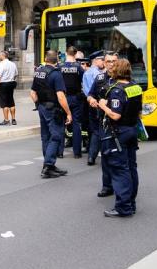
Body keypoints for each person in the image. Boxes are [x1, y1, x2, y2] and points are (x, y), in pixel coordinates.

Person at [96, 59, 143, 217]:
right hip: (131, 130)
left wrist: (102, 105)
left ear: (117, 71)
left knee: (119, 170)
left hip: (118, 133)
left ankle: (123, 207)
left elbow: (115, 115)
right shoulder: (136, 87)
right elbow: (139, 111)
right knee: (131, 168)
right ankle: (131, 203)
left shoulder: (117, 90)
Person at [30, 50, 73, 179]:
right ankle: (48, 166)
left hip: (42, 108)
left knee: (45, 136)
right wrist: (68, 113)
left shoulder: (39, 72)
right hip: (53, 109)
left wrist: (39, 105)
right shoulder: (56, 74)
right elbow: (61, 96)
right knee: (56, 136)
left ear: (46, 59)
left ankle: (48, 164)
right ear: (57, 60)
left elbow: (32, 93)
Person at [87, 52, 119, 197]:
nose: (111, 64)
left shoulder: (124, 78)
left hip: (120, 123)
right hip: (104, 123)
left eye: (114, 61)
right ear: (103, 63)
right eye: (108, 61)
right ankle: (107, 186)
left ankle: (122, 185)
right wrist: (91, 100)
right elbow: (90, 94)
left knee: (120, 157)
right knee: (106, 156)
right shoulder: (100, 78)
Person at [59, 46, 86, 158]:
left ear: (66, 53)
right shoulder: (79, 68)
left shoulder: (59, 66)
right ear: (75, 54)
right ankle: (77, 153)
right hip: (76, 98)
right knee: (76, 124)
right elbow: (83, 82)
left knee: (61, 124)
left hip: (63, 98)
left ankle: (59, 152)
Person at [0, 51, 18, 126]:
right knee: (11, 101)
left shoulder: (2, 64)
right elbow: (16, 74)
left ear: (3, 56)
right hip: (11, 83)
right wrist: (12, 80)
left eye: (0, 55)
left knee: (4, 103)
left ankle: (6, 120)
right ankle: (13, 119)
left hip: (3, 84)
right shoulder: (13, 64)